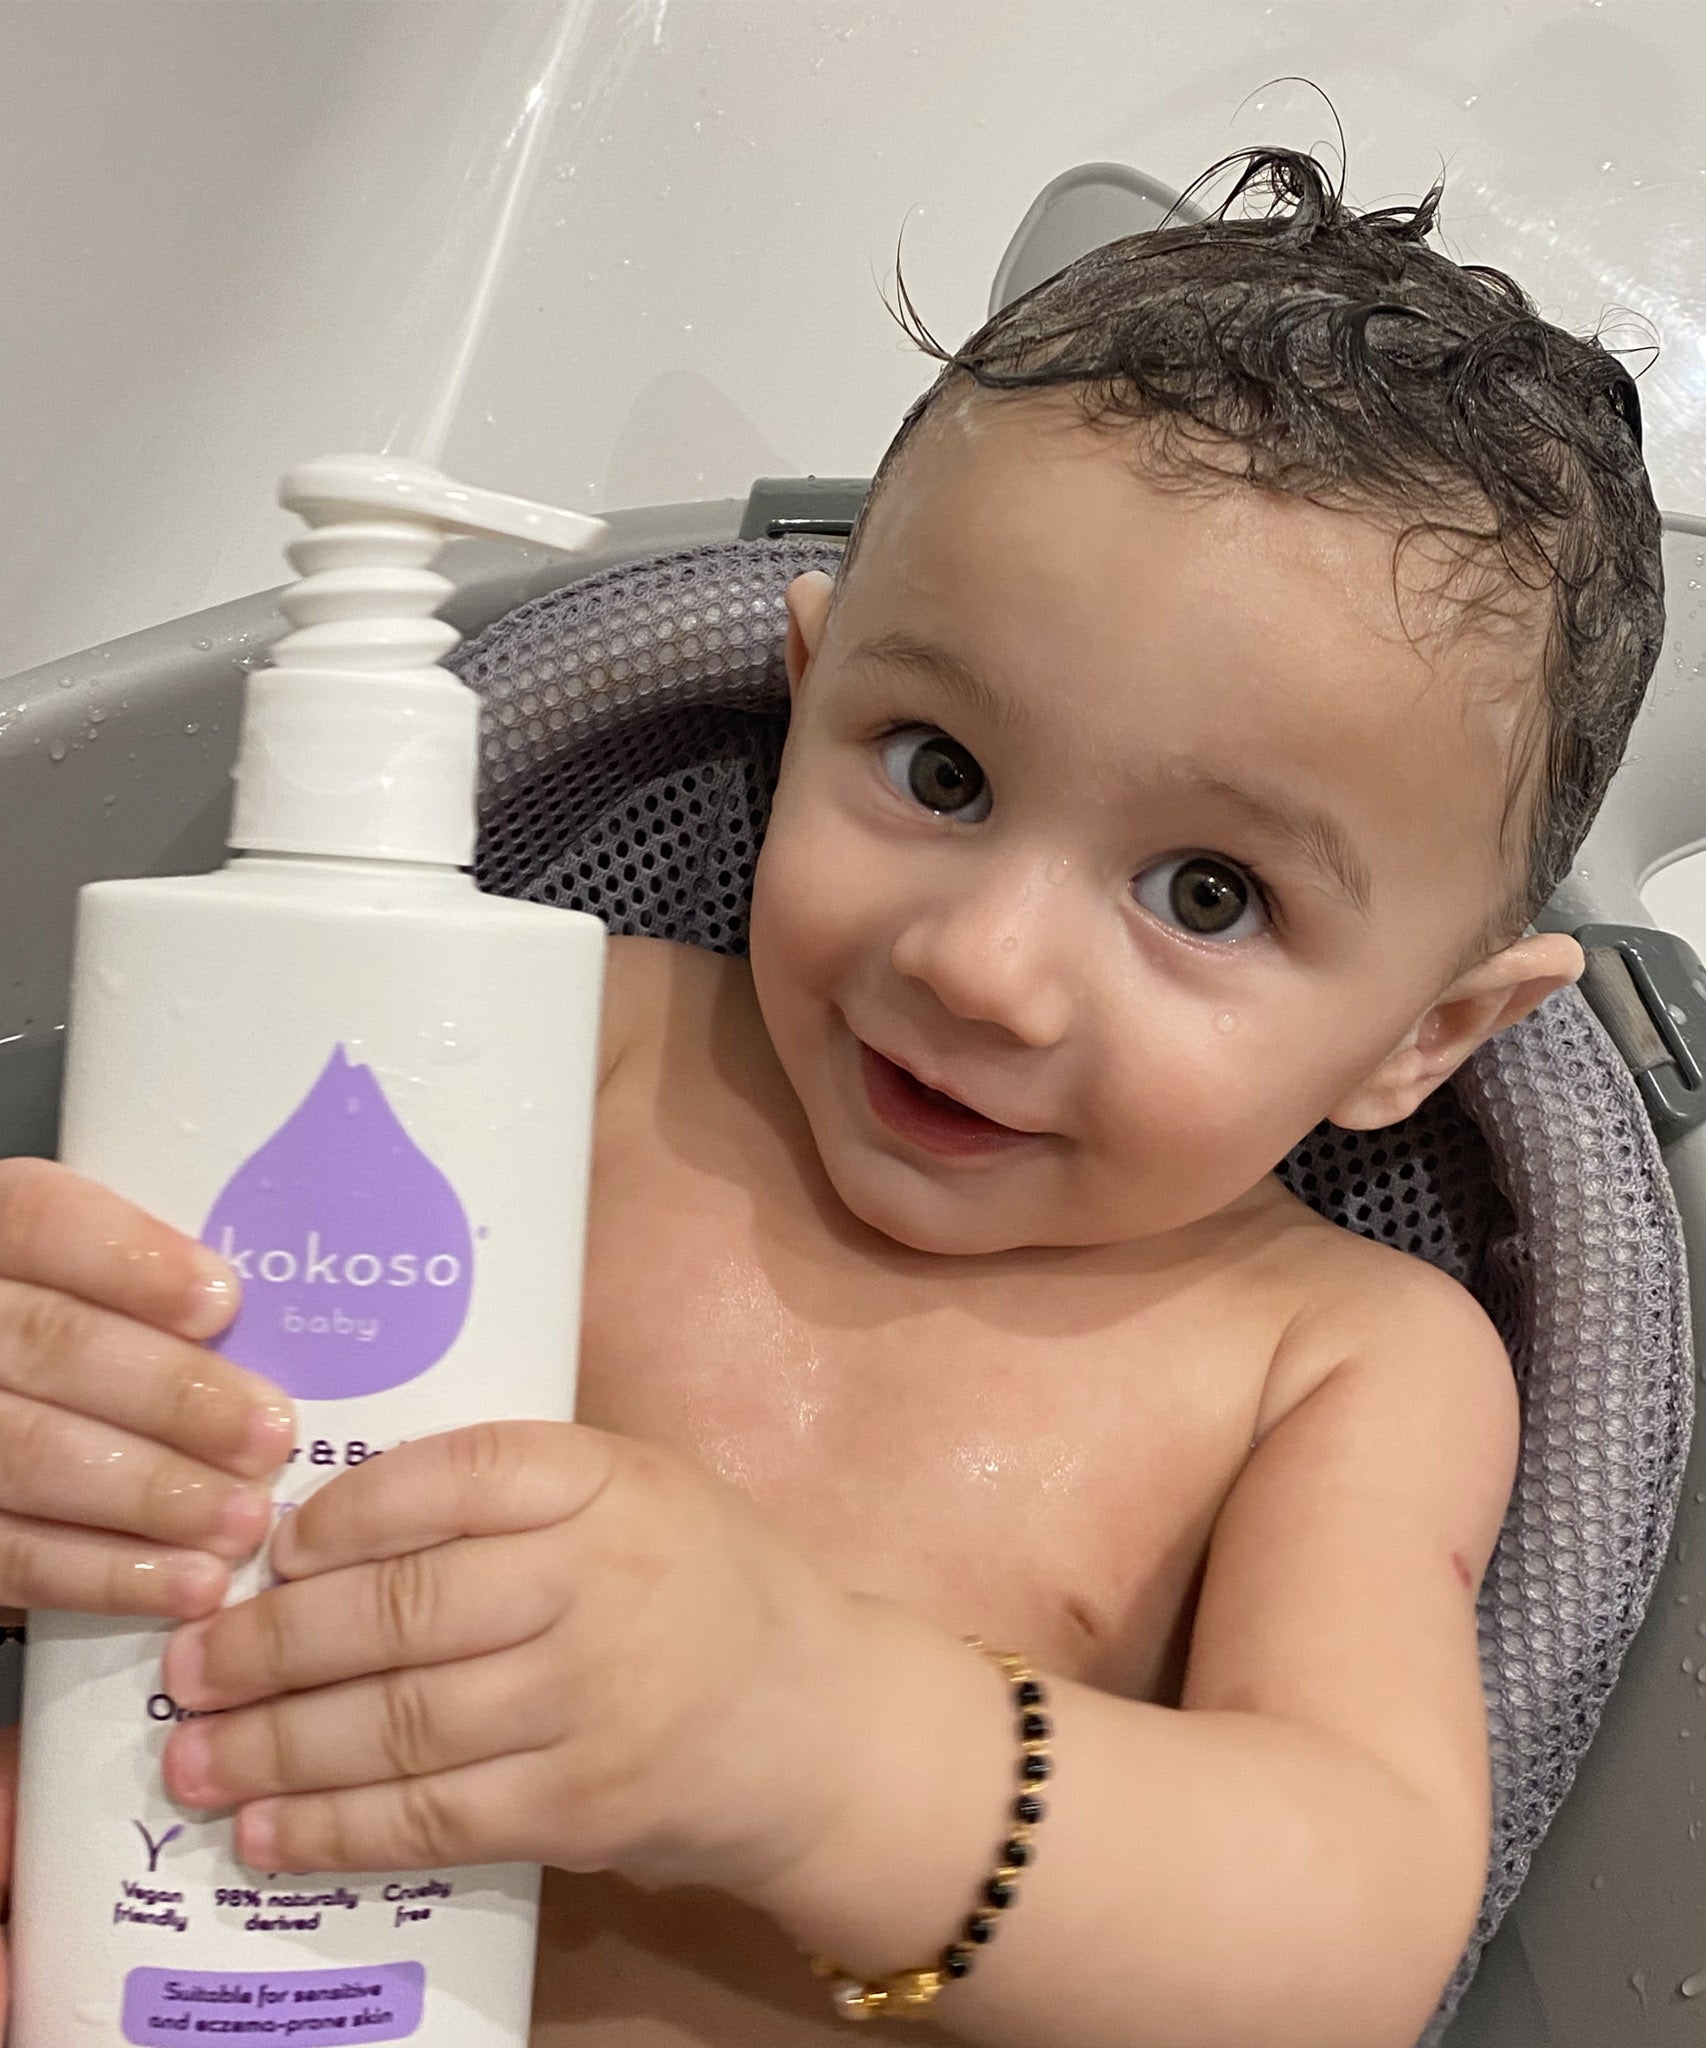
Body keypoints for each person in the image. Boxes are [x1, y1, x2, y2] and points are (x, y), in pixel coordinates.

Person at [0, 148, 1664, 2047]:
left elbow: (1345, 1927)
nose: (981, 966)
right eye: (937, 769)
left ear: (1420, 1039)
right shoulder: (546, 1048)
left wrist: (815, 1745)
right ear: (805, 701)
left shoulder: (1337, 1358)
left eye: (1208, 895)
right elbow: (163, 1425)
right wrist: (69, 1431)